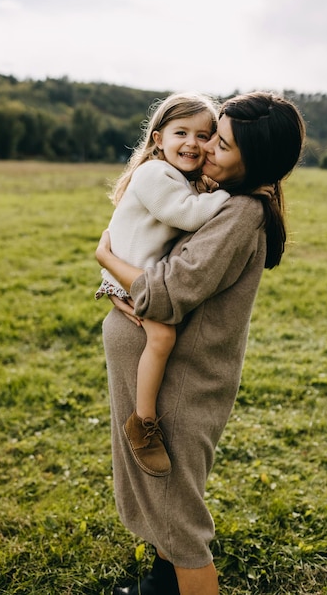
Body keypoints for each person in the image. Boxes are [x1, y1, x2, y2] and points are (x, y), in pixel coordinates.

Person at [95, 91, 306, 595]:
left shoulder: (239, 215)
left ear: (252, 161)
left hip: (182, 385)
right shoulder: (220, 198)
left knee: (178, 517)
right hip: (161, 372)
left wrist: (108, 259)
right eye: (212, 134)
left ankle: (183, 581)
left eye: (221, 143)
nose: (207, 147)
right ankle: (161, 586)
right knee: (163, 504)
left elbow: (166, 295)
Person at [95, 92, 231, 477]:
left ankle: (144, 417)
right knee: (163, 337)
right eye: (181, 132)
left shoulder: (176, 175)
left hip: (133, 273)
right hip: (129, 277)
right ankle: (144, 422)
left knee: (165, 336)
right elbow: (186, 216)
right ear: (158, 139)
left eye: (204, 135)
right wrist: (232, 195)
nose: (192, 142)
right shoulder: (155, 174)